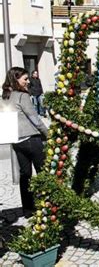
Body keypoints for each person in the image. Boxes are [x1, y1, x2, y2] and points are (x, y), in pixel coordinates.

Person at [1, 67, 48, 217]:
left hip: (17, 141)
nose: (28, 82)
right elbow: (34, 118)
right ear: (16, 80)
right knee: (43, 173)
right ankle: (47, 204)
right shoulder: (22, 96)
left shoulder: (5, 96)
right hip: (31, 139)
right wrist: (47, 133)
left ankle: (28, 209)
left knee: (25, 174)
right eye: (25, 79)